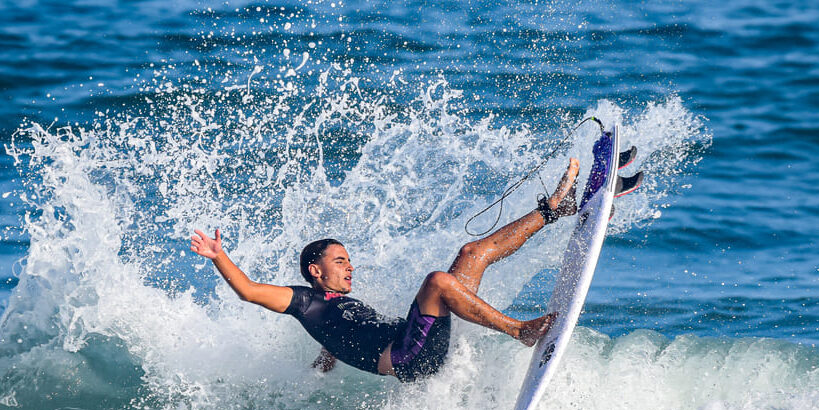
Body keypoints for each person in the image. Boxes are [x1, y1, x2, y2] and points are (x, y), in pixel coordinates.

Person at [190, 159, 586, 382]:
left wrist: (325, 360)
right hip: (409, 357)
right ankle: (519, 330)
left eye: (349, 260)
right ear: (315, 270)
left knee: (471, 252)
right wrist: (218, 255)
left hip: (419, 339)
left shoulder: (329, 309)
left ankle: (553, 210)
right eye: (339, 261)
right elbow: (247, 290)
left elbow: (339, 333)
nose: (349, 267)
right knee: (437, 282)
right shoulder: (303, 301)